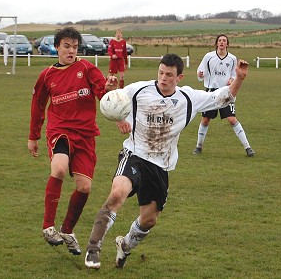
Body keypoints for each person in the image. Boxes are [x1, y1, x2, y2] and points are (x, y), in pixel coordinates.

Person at [84, 53, 250, 269]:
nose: (163, 78)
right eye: (161, 73)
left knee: (149, 220)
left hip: (161, 164)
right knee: (117, 193)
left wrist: (239, 78)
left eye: (169, 75)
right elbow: (113, 103)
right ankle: (93, 248)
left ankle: (124, 246)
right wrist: (113, 97)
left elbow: (224, 96)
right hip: (135, 154)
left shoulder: (188, 97)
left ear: (179, 77)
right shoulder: (139, 90)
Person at [27, 26, 118, 256]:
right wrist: (33, 136)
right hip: (60, 130)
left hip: (86, 134)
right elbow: (38, 106)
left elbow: (102, 92)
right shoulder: (47, 75)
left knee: (85, 187)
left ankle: (67, 230)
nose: (71, 51)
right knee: (58, 168)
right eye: (66, 46)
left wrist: (107, 89)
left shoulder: (87, 68)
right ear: (57, 47)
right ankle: (48, 226)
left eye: (75, 47)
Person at [193, 34, 255, 157]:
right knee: (205, 120)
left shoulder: (232, 58)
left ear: (227, 44)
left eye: (224, 41)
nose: (222, 42)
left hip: (227, 92)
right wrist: (200, 75)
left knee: (232, 119)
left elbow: (234, 74)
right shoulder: (208, 57)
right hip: (211, 92)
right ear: (216, 43)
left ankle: (248, 147)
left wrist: (232, 80)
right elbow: (201, 71)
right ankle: (198, 147)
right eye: (220, 40)